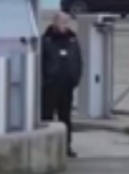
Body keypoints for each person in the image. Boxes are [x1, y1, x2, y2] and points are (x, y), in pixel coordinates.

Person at [41, 12, 82, 158]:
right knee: (47, 116)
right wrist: (45, 80)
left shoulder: (72, 39)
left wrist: (75, 78)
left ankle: (66, 146)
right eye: (62, 22)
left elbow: (78, 60)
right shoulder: (46, 40)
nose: (65, 25)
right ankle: (46, 147)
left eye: (66, 22)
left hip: (67, 85)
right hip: (50, 85)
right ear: (55, 22)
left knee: (65, 117)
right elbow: (40, 62)